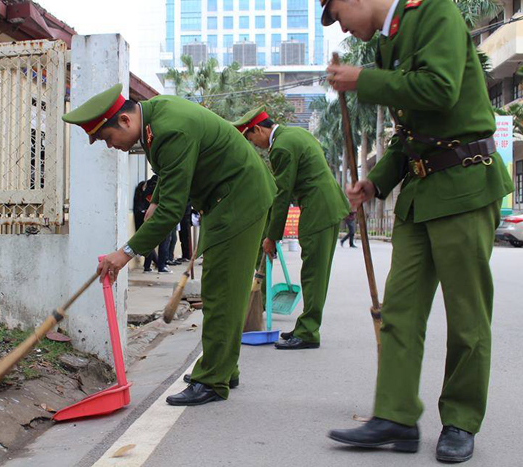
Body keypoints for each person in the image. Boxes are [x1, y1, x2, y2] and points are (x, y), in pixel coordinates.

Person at [320, 0, 514, 461]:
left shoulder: (434, 13)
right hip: (419, 193)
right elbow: (409, 137)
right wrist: (376, 181)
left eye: (337, 14)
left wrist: (361, 81)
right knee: (400, 311)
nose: (341, 26)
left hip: (465, 182)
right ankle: (396, 417)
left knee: (466, 315)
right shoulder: (389, 42)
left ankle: (461, 421)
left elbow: (440, 90)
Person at [62, 84, 276, 406]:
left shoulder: (168, 128)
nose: (110, 147)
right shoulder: (155, 120)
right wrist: (156, 199)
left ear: (124, 122)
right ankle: (223, 367)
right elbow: (173, 168)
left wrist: (126, 253)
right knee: (224, 288)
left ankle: (213, 380)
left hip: (239, 200)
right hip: (228, 197)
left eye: (106, 139)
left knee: (222, 290)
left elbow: (172, 212)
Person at [231, 107, 349, 350]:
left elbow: (281, 196)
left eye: (250, 138)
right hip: (326, 203)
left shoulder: (282, 148)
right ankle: (305, 325)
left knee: (314, 273)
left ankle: (308, 332)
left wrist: (272, 237)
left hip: (318, 208)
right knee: (314, 270)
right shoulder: (296, 133)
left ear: (258, 129)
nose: (254, 144)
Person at [133, 180, 159, 272]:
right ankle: (153, 265)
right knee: (149, 245)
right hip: (143, 222)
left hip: (144, 221)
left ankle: (154, 264)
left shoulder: (144, 197)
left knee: (150, 245)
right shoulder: (140, 197)